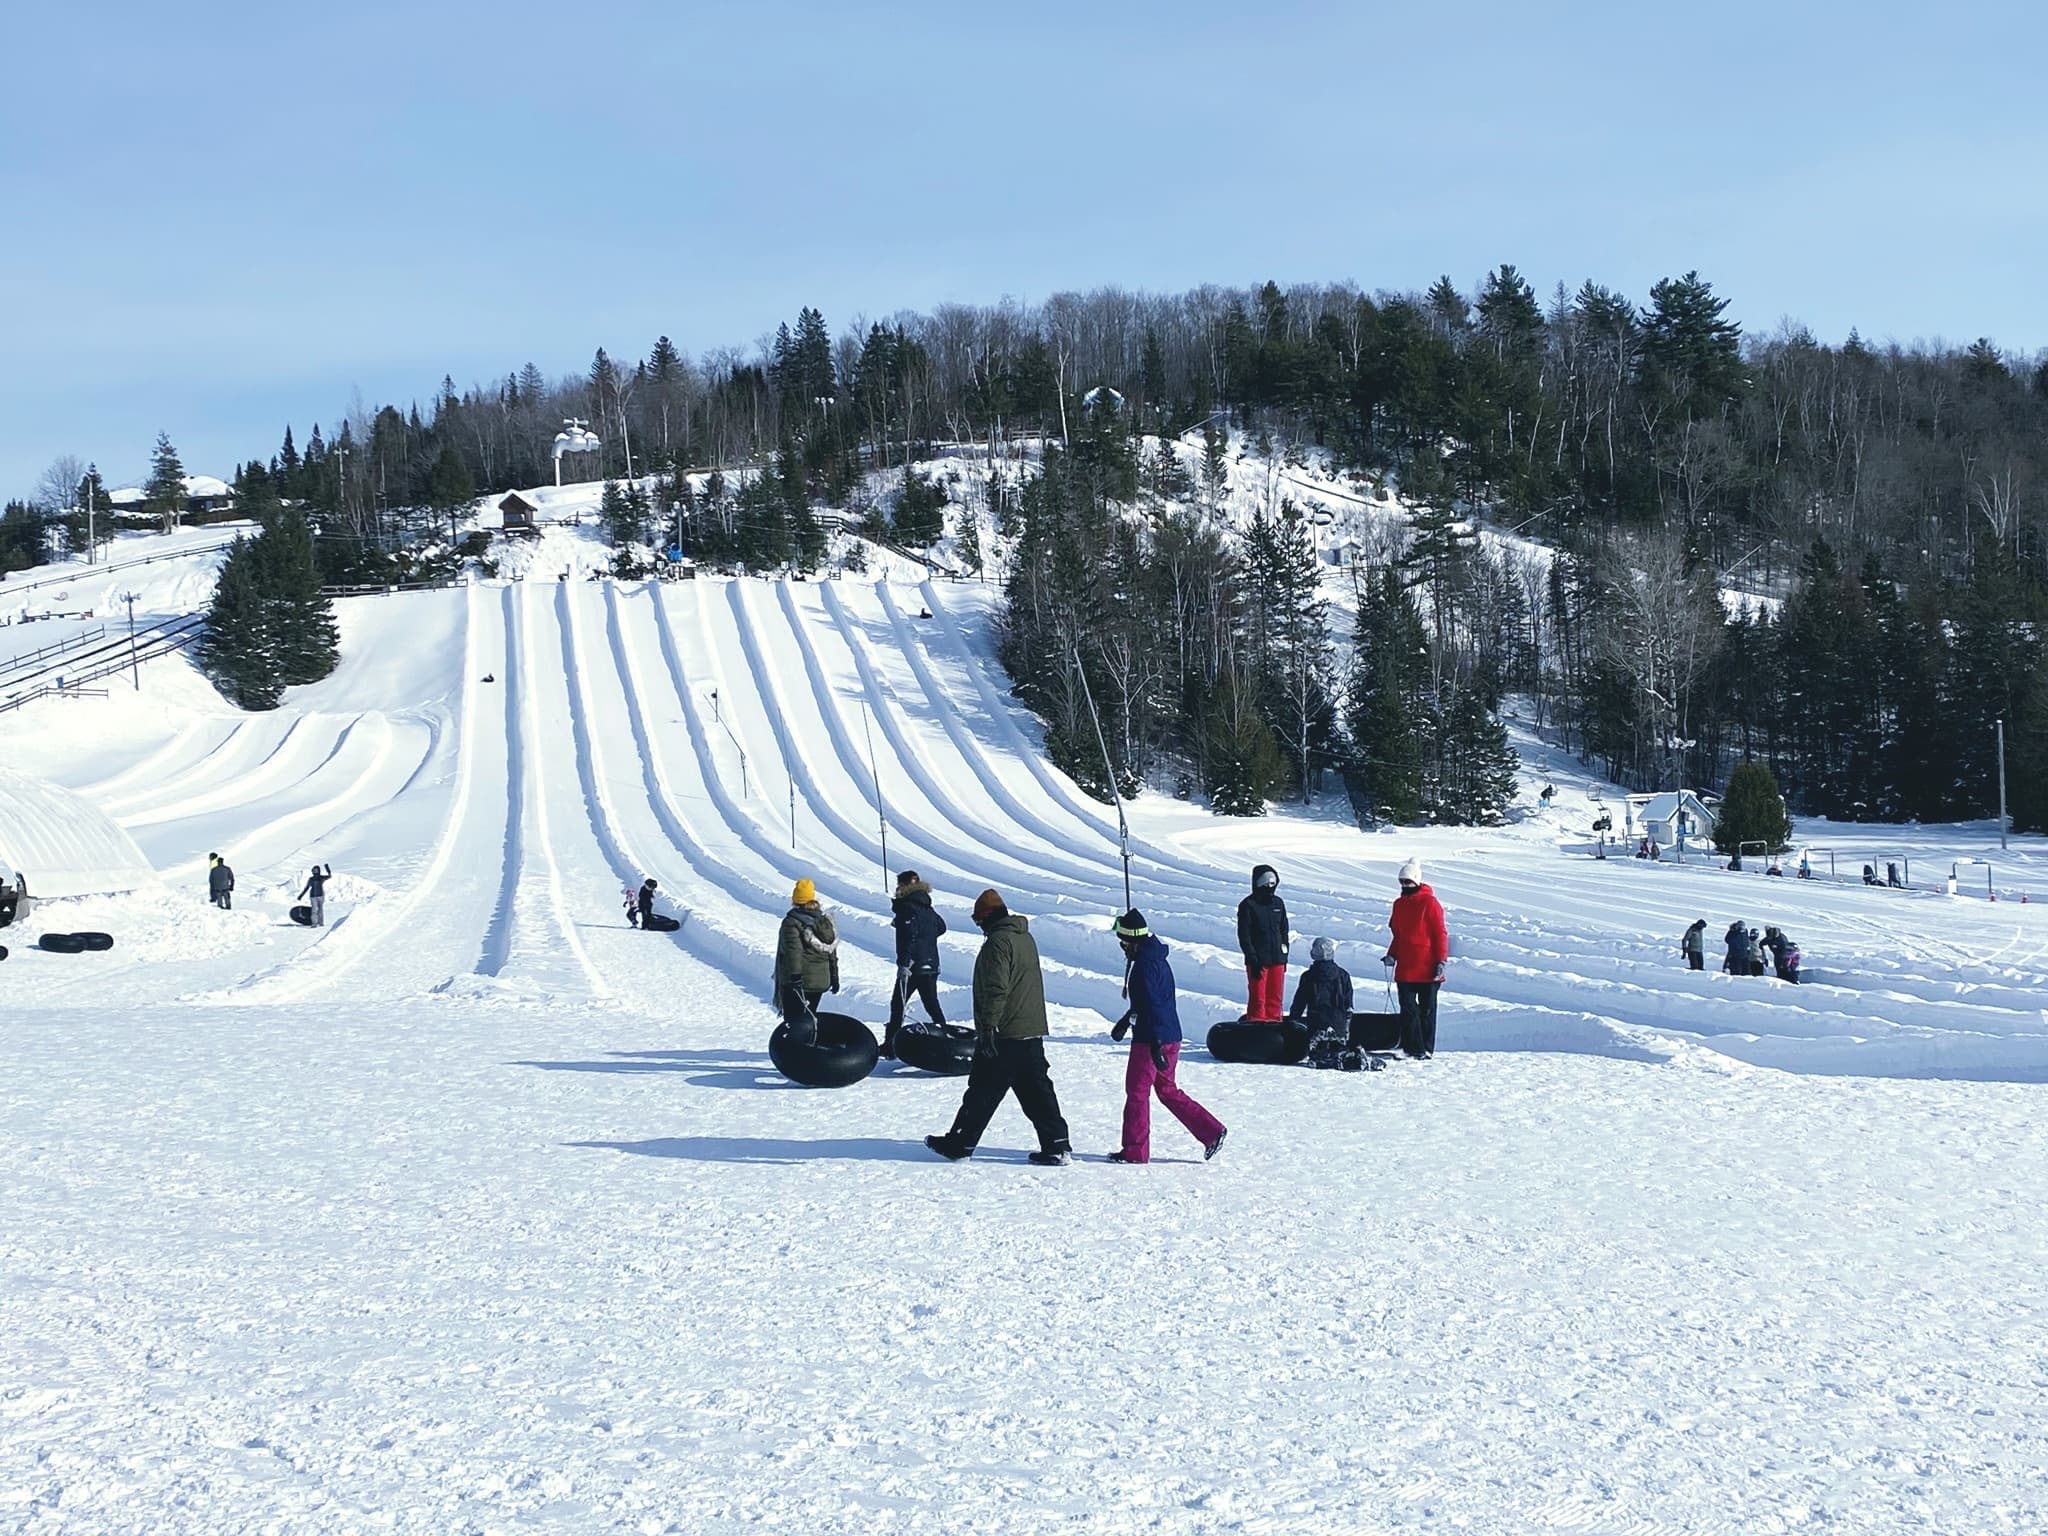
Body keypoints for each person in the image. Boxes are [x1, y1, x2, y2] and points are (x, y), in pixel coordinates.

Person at [926, 889, 1072, 1165]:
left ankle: (959, 1144)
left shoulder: (998, 943)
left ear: (988, 918)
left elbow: (996, 988)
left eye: (979, 921)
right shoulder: (1024, 937)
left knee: (982, 1090)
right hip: (1030, 1029)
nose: (979, 927)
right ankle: (1057, 1144)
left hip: (1005, 1031)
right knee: (1037, 1091)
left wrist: (989, 1026)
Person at [1106, 910, 1226, 1163]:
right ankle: (1212, 1131)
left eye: (1123, 942)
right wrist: (1126, 1020)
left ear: (1131, 940)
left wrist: (1156, 1044)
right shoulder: (1155, 958)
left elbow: (1153, 1004)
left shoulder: (1144, 966)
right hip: (1170, 1034)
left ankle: (1135, 1151)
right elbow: (1150, 1001)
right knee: (1167, 1090)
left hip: (1152, 1039)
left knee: (1137, 1092)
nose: (1122, 948)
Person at [1384, 859, 1447, 1059]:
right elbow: (1398, 935)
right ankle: (1412, 1048)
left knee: (1427, 1012)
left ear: (1417, 881)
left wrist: (1441, 961)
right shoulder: (1398, 904)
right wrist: (1392, 954)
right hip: (1406, 968)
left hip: (1427, 967)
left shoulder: (1430, 903)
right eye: (1402, 882)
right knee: (1408, 1010)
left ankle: (1426, 1048)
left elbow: (1440, 933)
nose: (1404, 885)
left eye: (1408, 882)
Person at [885, 870, 948, 1058]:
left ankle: (891, 1045)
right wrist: (925, 939)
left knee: (898, 1003)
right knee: (932, 1004)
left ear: (903, 886)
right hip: (931, 964)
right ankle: (947, 1037)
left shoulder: (907, 908)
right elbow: (941, 927)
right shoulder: (926, 906)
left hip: (913, 966)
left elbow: (907, 938)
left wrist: (904, 964)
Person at [774, 878, 839, 1046]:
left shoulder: (792, 922)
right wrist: (834, 976)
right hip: (820, 980)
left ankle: (796, 1051)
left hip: (800, 981)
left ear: (796, 900)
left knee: (794, 1020)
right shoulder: (823, 922)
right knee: (810, 1015)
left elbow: (793, 952)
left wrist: (795, 977)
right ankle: (810, 1045)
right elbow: (831, 951)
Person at [1287, 936, 1358, 1069]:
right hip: (1339, 1025)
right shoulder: (1343, 975)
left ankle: (1320, 1054)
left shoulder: (1308, 976)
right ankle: (1338, 1052)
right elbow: (1349, 1003)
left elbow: (1300, 1001)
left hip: (1317, 1025)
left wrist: (1293, 1019)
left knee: (1318, 1052)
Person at [1236, 864, 1289, 1022]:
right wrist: (1252, 957)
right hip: (1258, 961)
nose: (1269, 887)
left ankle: (1275, 1025)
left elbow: (1284, 930)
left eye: (1273, 883)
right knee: (1258, 998)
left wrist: (1284, 954)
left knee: (1275, 997)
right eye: (1266, 883)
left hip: (1277, 959)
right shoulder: (1248, 905)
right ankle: (1256, 1025)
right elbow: (1244, 934)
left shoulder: (1278, 904)